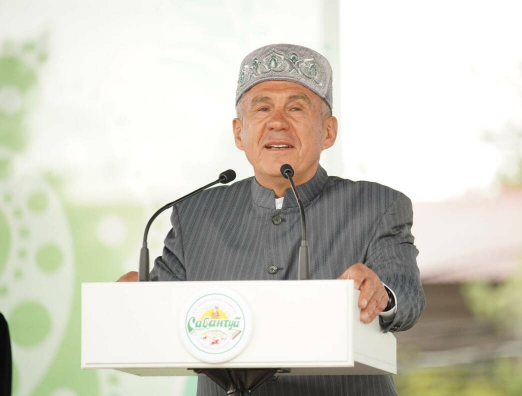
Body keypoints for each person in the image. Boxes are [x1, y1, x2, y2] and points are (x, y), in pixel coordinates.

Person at [118, 44, 425, 396]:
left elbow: (406, 292)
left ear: (328, 132)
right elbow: (162, 310)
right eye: (262, 108)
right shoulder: (194, 215)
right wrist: (135, 302)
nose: (277, 122)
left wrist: (381, 294)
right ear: (239, 133)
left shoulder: (377, 206)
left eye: (296, 108)